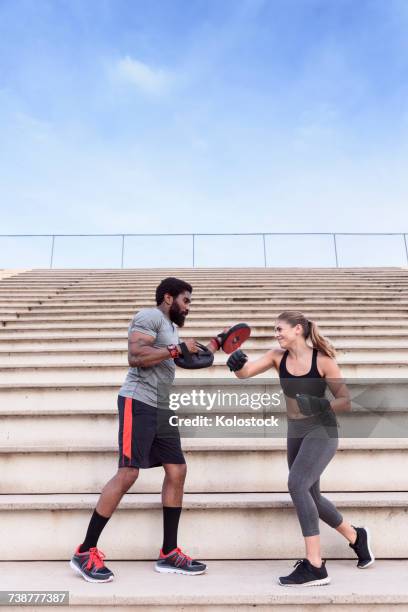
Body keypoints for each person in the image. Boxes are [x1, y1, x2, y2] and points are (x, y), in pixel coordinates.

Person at [70, 277, 225, 582]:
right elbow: (136, 357)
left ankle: (169, 552)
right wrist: (175, 349)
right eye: (186, 300)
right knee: (129, 472)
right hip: (138, 401)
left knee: (177, 470)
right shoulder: (149, 317)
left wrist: (213, 347)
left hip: (162, 406)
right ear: (168, 298)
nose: (188, 307)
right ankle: (85, 551)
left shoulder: (171, 328)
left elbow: (182, 360)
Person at [227, 310, 375, 587]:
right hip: (295, 432)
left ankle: (315, 566)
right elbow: (244, 374)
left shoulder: (323, 361)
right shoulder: (276, 357)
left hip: (322, 430)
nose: (276, 334)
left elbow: (346, 400)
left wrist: (320, 405)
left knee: (296, 484)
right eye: (275, 330)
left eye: (280, 329)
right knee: (311, 496)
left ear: (298, 329)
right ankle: (356, 536)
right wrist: (236, 363)